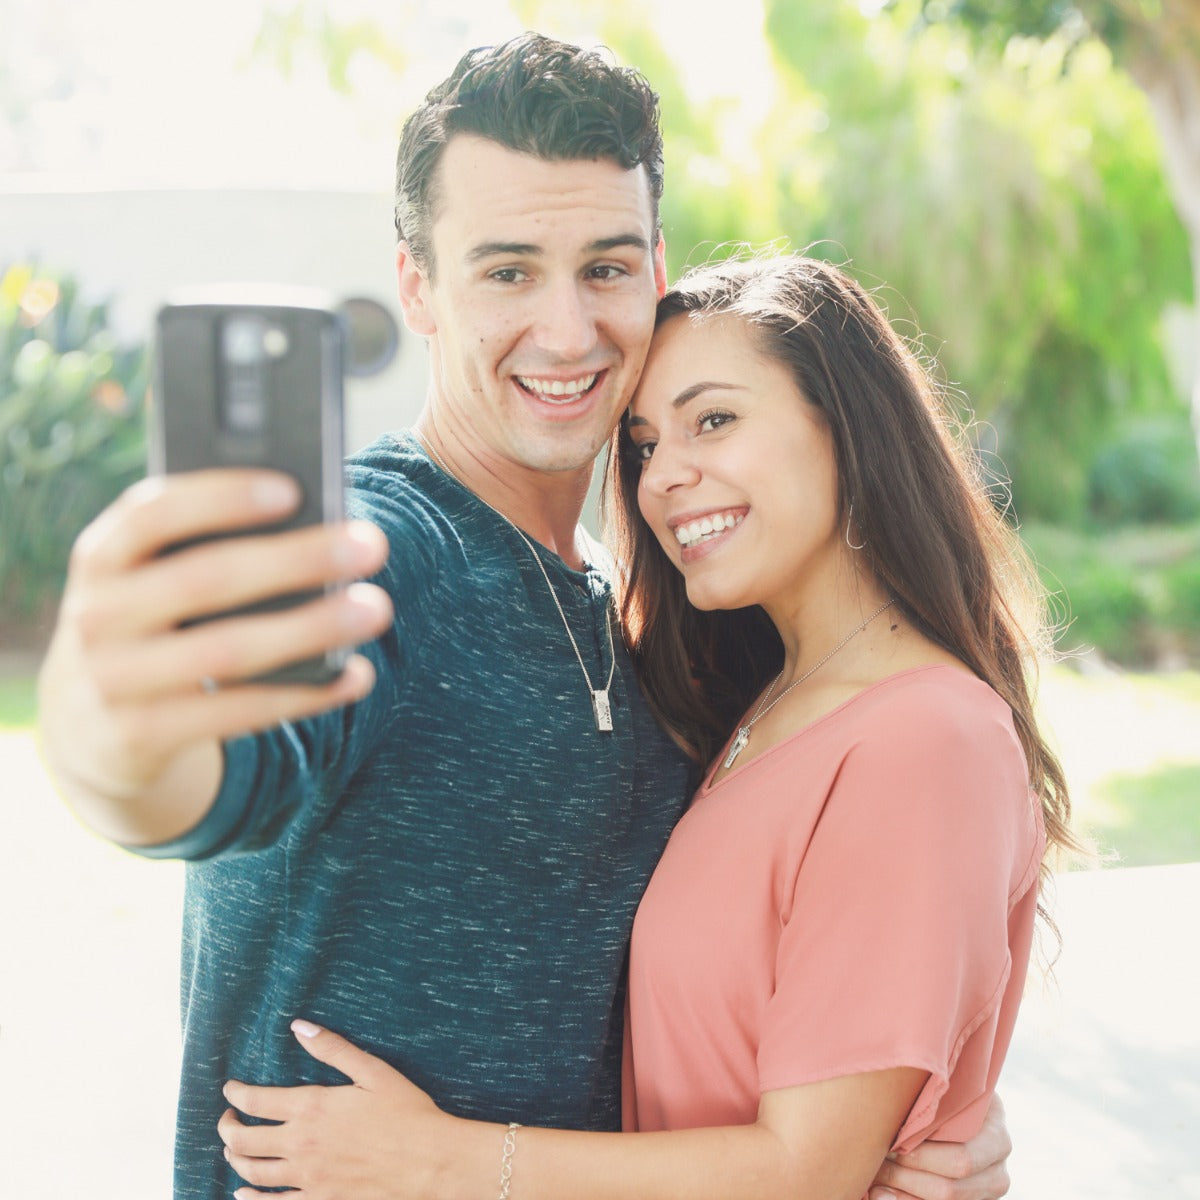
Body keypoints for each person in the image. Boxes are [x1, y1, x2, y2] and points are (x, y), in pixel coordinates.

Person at [38, 35, 1012, 1200]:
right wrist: (103, 733)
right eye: (507, 272)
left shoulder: (651, 614)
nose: (565, 331)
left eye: (603, 268)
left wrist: (906, 1132)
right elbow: (203, 778)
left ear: (655, 267)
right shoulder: (384, 555)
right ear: (418, 287)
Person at [216, 253, 1070, 1200]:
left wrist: (437, 1160)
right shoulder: (748, 706)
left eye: (714, 420)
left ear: (849, 427)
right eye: (643, 444)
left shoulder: (926, 742)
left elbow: (805, 1170)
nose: (665, 477)